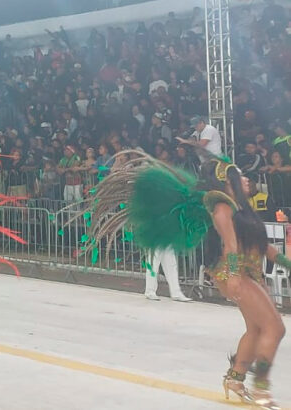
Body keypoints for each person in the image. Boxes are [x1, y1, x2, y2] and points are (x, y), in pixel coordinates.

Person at [88, 151, 286, 406]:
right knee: (275, 328)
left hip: (246, 273)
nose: (246, 179)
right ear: (228, 182)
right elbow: (230, 245)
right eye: (240, 176)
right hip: (234, 272)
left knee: (257, 329)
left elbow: (264, 247)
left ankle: (235, 379)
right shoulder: (222, 208)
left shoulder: (242, 211)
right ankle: (261, 390)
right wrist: (235, 276)